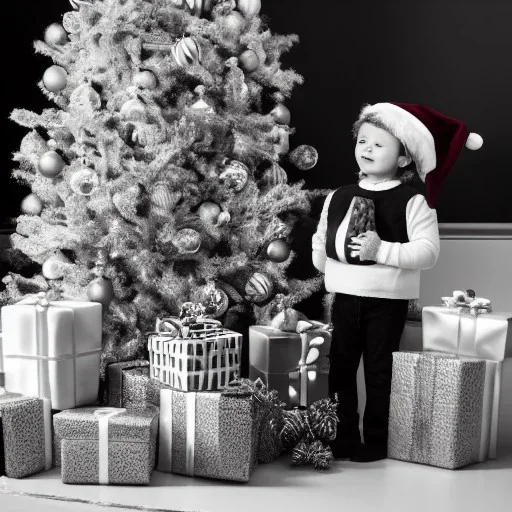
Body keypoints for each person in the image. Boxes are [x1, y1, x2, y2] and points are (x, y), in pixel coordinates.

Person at [311, 102, 483, 462]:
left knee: (380, 371)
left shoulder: (413, 200)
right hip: (344, 297)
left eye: (378, 144)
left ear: (404, 159)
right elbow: (322, 238)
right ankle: (342, 437)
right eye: (362, 141)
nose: (366, 149)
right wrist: (325, 260)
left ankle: (376, 440)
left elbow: (428, 252)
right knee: (340, 368)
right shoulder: (338, 196)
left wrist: (382, 250)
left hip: (385, 302)